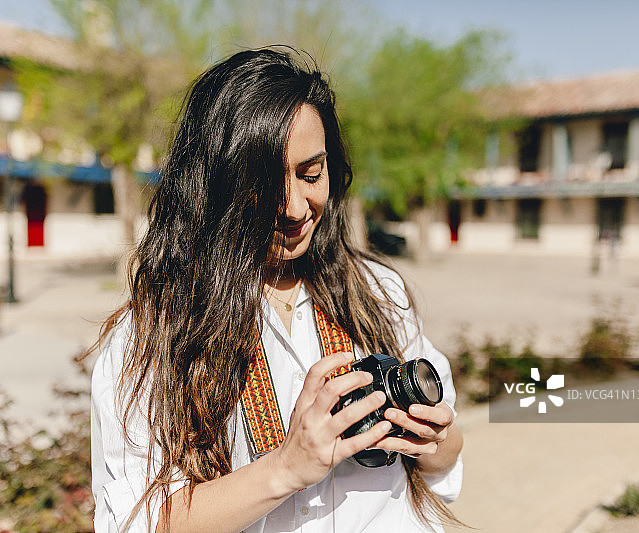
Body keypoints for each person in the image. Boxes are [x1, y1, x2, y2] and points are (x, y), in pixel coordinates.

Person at [89, 47, 464, 533]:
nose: (294, 207)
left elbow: (447, 456)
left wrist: (431, 439)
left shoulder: (376, 291)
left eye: (312, 174)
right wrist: (287, 467)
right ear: (213, 186)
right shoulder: (151, 335)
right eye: (263, 184)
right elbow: (136, 521)